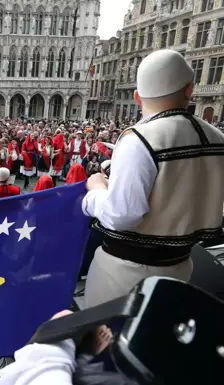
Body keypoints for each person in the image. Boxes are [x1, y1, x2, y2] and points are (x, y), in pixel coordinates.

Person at [83, 49, 224, 308]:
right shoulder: (217, 138)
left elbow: (122, 215)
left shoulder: (140, 138)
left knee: (105, 340)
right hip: (180, 267)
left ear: (137, 97)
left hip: (124, 275)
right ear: (189, 89)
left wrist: (95, 191)